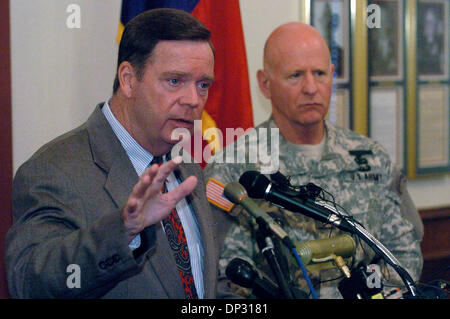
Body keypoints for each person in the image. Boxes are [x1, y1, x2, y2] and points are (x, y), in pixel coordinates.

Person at [6, 8, 221, 299]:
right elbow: (30, 282)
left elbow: (200, 287)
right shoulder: (55, 169)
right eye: (174, 81)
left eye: (203, 85)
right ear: (128, 79)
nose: (194, 100)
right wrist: (125, 230)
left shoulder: (187, 168)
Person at [204, 22, 423, 299]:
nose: (310, 87)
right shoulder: (235, 168)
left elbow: (404, 252)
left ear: (332, 75)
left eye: (319, 73)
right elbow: (227, 278)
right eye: (295, 75)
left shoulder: (370, 157)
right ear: (265, 83)